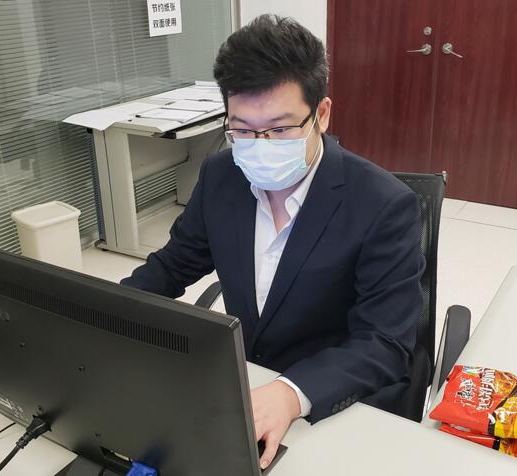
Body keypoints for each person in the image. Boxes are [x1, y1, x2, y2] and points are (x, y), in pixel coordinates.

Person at [121, 14, 424, 470]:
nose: (259, 145)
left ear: (322, 114)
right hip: (242, 385)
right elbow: (173, 265)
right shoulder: (221, 176)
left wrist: (290, 393)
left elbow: (384, 343)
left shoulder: (383, 205)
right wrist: (102, 315)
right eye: (242, 130)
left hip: (332, 401)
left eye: (280, 130)